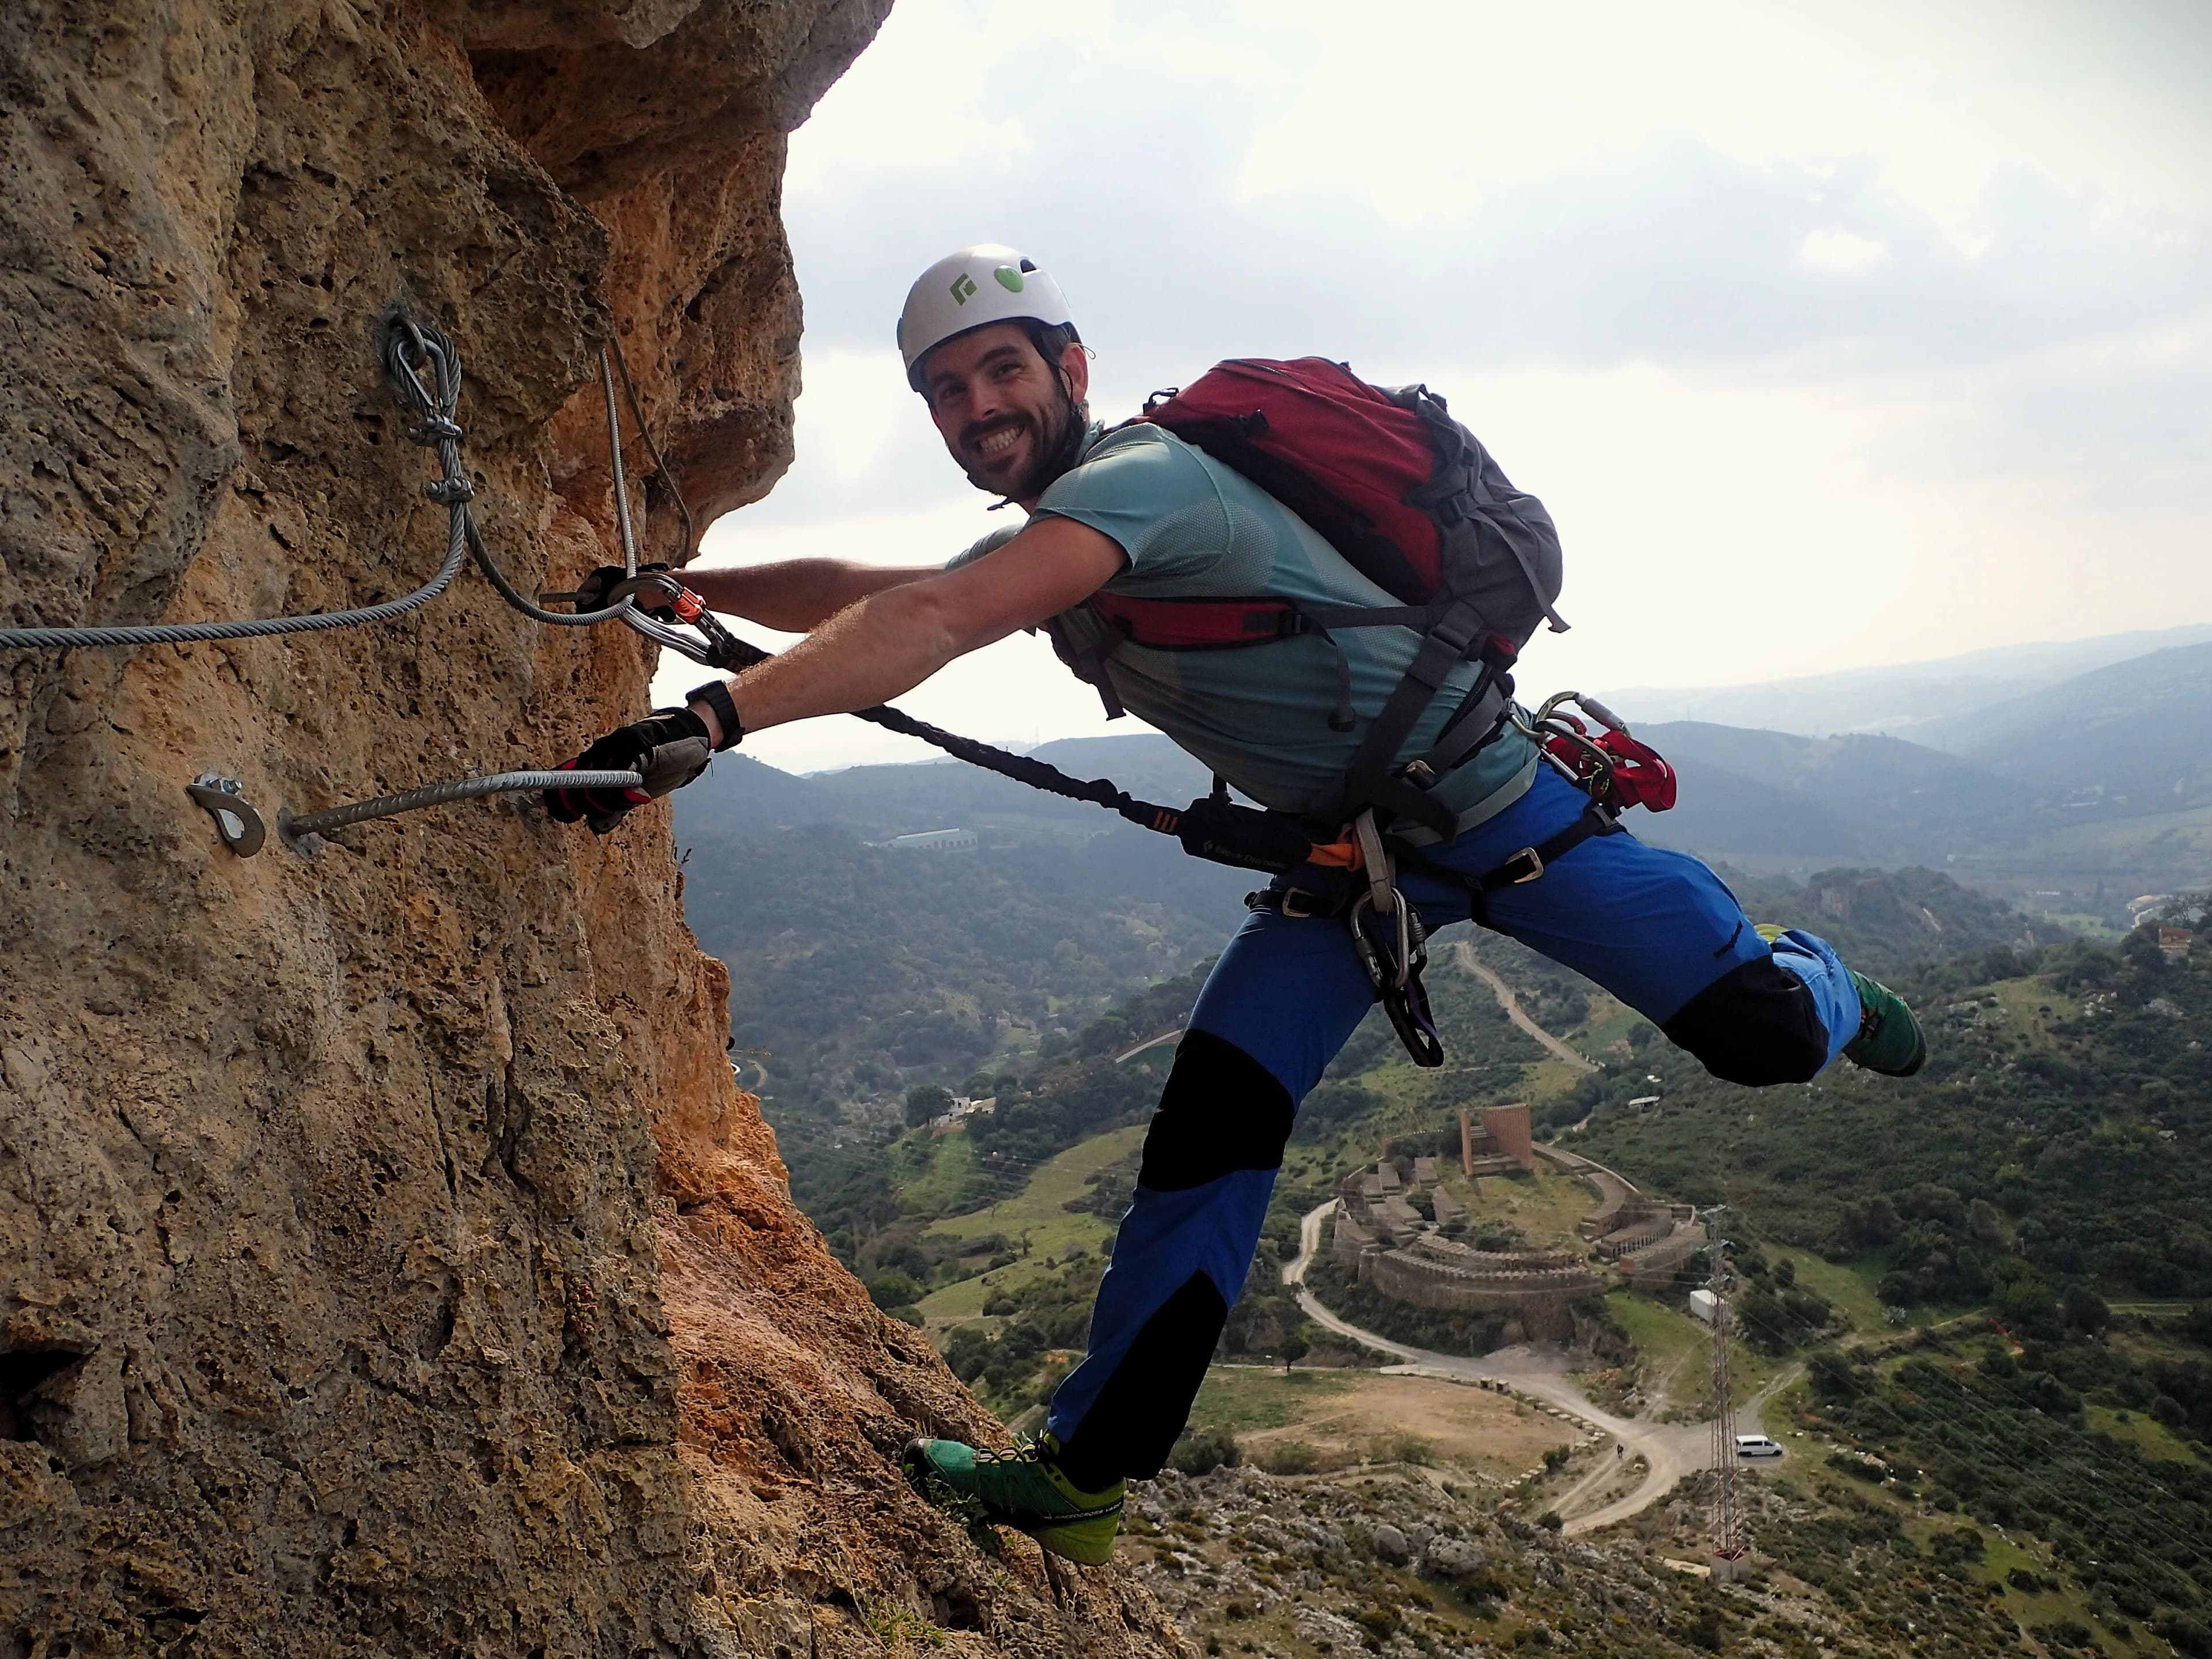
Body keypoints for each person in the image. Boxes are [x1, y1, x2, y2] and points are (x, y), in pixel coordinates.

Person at [546, 245, 1926, 1565]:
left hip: (1509, 817)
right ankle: (1083, 1481)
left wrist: (712, 717)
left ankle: (1830, 982)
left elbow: (937, 624)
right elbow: (895, 591)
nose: (977, 409)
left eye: (1001, 371)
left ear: (1069, 365)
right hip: (1349, 868)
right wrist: (688, 589)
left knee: (1757, 1034)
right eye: (946, 392)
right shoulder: (1072, 529)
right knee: (1210, 1137)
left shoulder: (1152, 485)